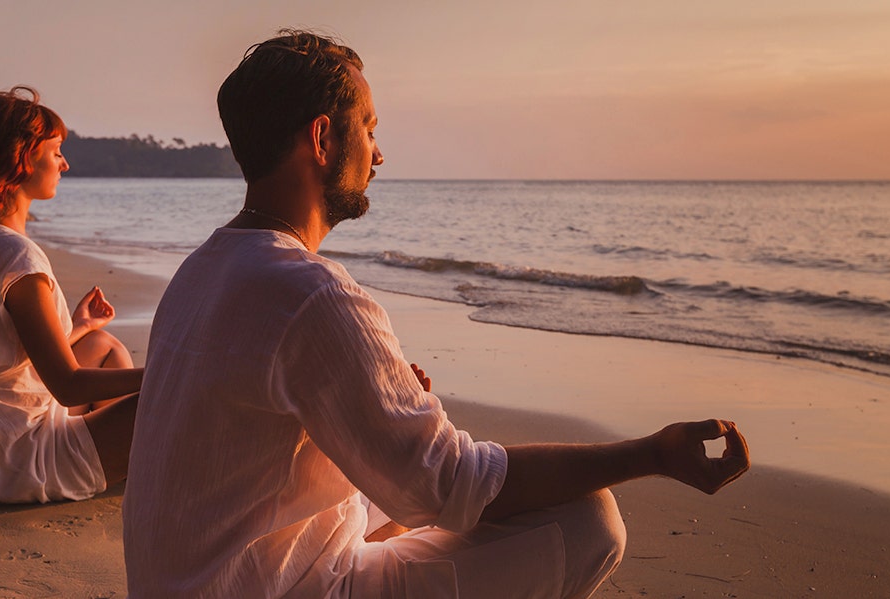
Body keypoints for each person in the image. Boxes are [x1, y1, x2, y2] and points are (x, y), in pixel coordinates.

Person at [124, 31, 750, 598]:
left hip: (195, 580)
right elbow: (454, 485)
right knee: (589, 520)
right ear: (322, 139)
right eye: (367, 129)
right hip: (271, 588)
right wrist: (653, 454)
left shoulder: (201, 270)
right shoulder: (311, 294)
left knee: (393, 490)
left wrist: (373, 413)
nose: (378, 154)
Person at [0, 87, 141, 504]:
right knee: (175, 393)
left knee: (101, 343)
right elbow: (67, 385)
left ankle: (126, 462)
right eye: (57, 150)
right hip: (9, 461)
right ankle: (131, 463)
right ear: (22, 157)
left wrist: (76, 326)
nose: (65, 162)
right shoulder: (14, 253)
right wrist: (168, 372)